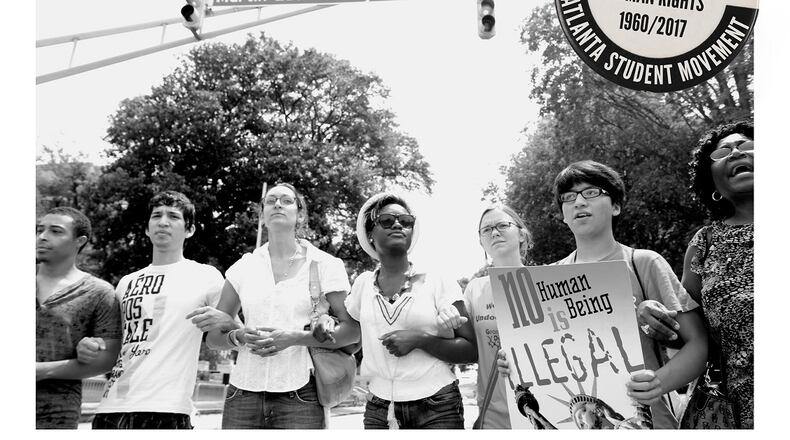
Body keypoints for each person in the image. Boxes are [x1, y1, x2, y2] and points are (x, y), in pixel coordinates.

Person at [498, 160, 708, 429]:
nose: (579, 202)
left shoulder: (643, 263)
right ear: (563, 214)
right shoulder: (543, 280)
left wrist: (659, 383)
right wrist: (514, 363)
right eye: (569, 197)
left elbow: (699, 344)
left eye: (591, 192)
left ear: (616, 206)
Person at [203, 183, 359, 429]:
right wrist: (239, 336)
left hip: (300, 394)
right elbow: (213, 337)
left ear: (301, 214)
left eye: (286, 200)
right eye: (270, 200)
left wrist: (294, 338)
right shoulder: (243, 267)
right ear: (262, 215)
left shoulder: (325, 264)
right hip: (242, 394)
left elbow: (353, 332)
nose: (277, 204)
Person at [637, 121, 754, 428]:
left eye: (747, 146)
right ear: (713, 185)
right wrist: (656, 320)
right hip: (742, 415)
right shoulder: (704, 244)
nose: (736, 153)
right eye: (723, 152)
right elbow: (692, 339)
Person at [82, 191, 225, 429]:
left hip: (166, 408)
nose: (163, 221)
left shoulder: (206, 277)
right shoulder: (126, 282)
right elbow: (114, 343)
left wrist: (226, 322)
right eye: (156, 215)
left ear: (190, 229)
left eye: (173, 216)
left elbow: (228, 333)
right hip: (110, 409)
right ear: (147, 229)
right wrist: (92, 346)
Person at [344, 192, 477, 429]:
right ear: (370, 234)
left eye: (406, 221)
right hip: (380, 408)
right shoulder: (363, 285)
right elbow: (349, 333)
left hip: (438, 406)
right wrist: (322, 317)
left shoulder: (437, 280)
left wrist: (420, 340)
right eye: (386, 220)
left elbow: (471, 351)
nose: (397, 224)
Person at [436, 204, 533, 429]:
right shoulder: (474, 289)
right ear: (481, 241)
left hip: (542, 410)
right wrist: (445, 323)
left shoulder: (547, 282)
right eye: (486, 230)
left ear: (521, 234)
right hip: (493, 414)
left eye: (502, 225)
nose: (495, 232)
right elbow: (464, 348)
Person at [36, 207, 122, 429]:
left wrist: (39, 371)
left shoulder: (99, 292)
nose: (42, 236)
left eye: (56, 231)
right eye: (39, 229)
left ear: (79, 241)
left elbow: (107, 358)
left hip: (55, 414)